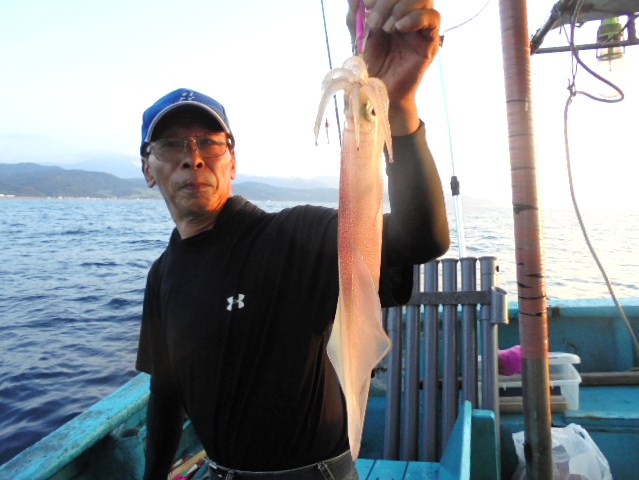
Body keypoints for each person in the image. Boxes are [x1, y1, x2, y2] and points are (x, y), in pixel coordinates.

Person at [136, 0, 449, 478]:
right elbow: (165, 393)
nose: (192, 158)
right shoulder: (162, 276)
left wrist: (398, 108)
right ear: (147, 169)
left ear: (232, 163)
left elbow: (421, 237)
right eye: (171, 144)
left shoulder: (294, 238)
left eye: (210, 143)